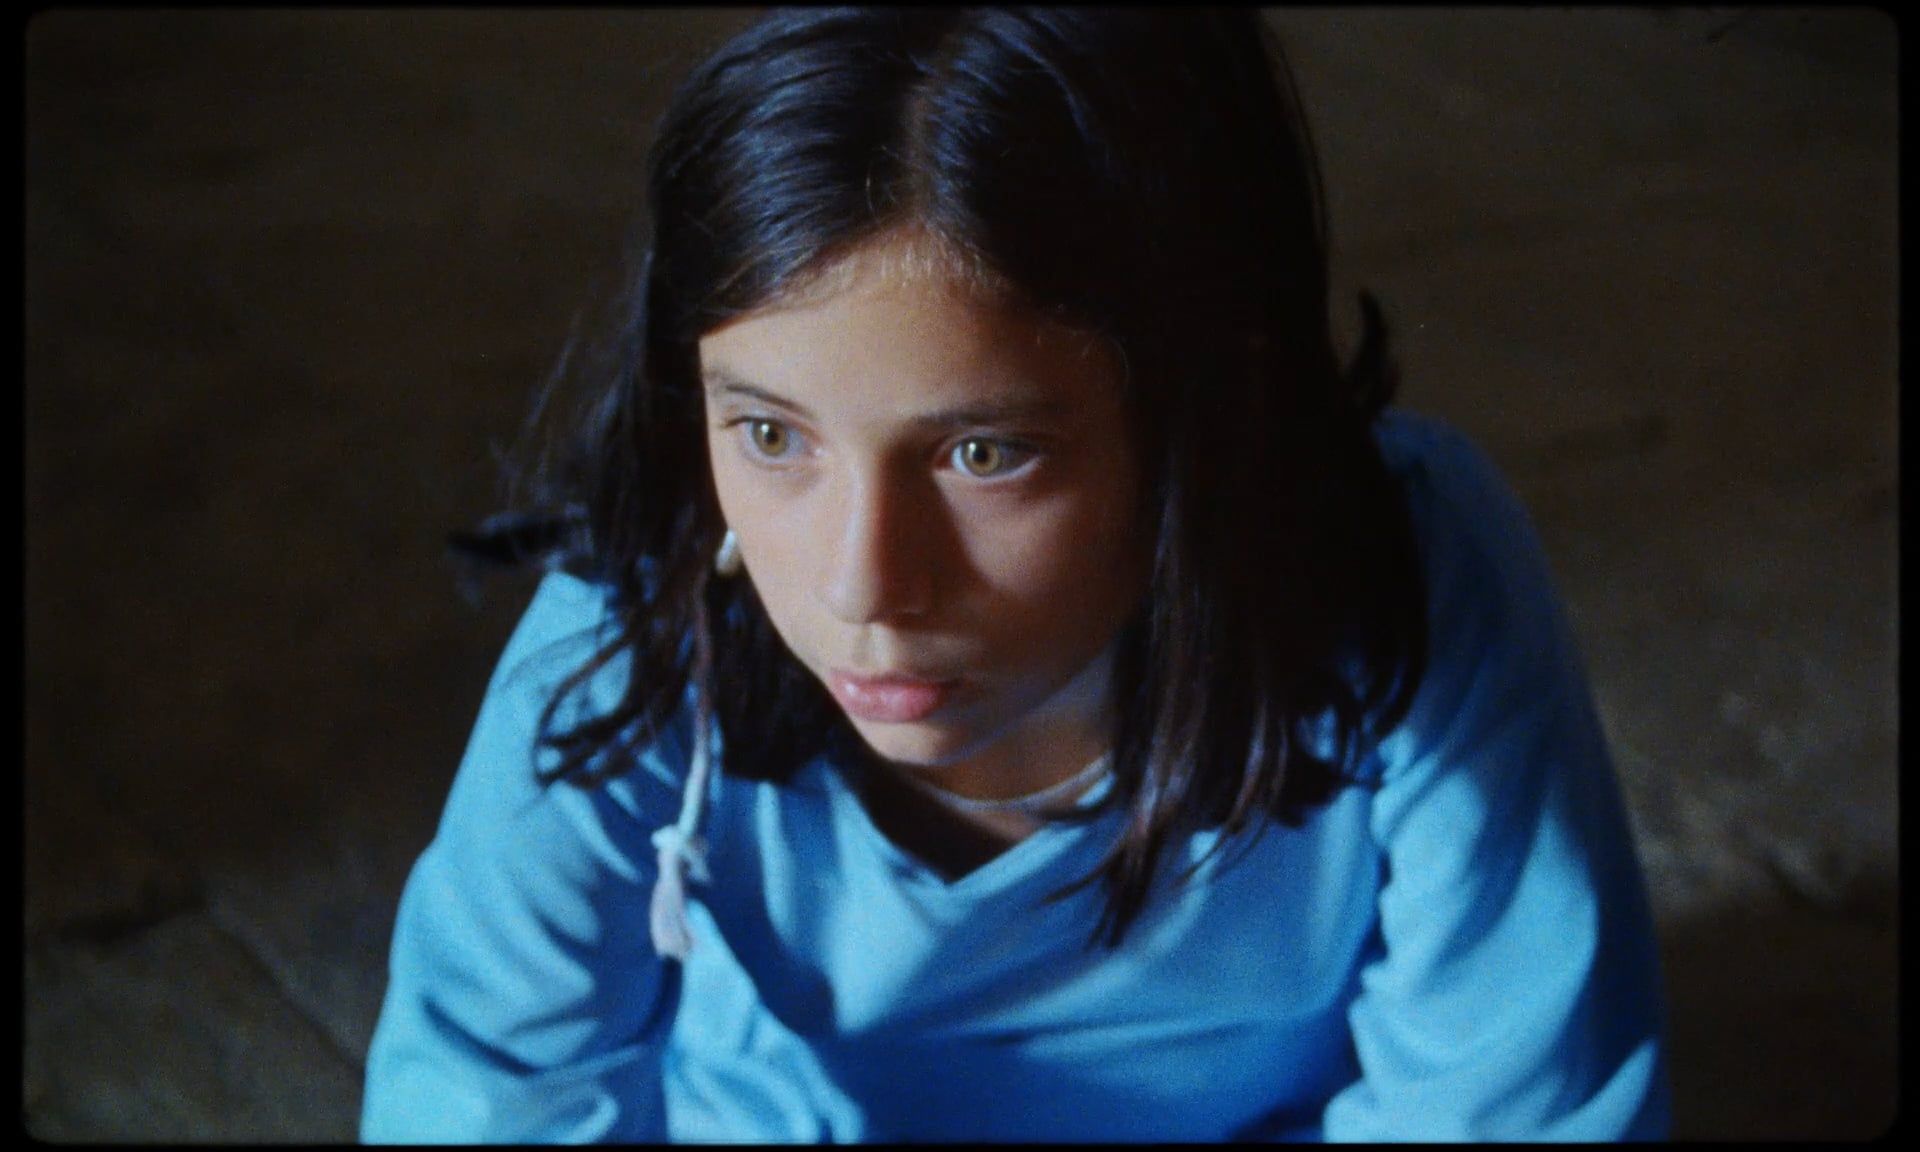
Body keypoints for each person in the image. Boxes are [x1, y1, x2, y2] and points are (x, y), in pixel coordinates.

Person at [361, 7, 1671, 1142]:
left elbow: (1509, 1112)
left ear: (1212, 404)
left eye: (987, 453)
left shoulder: (1406, 579)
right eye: (770, 434)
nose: (863, 585)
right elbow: (488, 1092)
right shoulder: (632, 641)